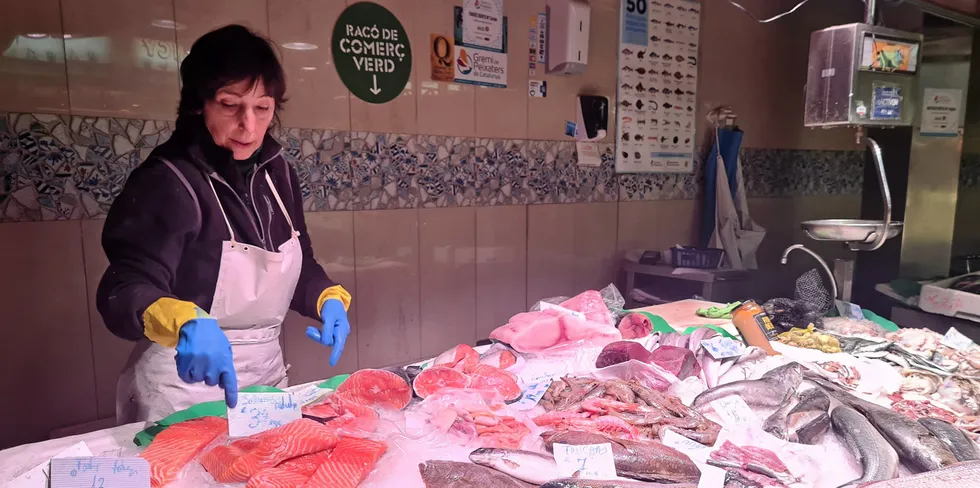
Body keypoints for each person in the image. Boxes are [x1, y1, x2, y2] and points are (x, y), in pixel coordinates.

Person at [97, 25, 351, 424]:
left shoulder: (278, 173)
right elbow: (123, 288)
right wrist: (185, 322)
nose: (248, 126)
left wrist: (326, 298)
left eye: (262, 108)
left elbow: (298, 268)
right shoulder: (169, 180)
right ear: (200, 104)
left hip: (265, 377)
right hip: (181, 389)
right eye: (230, 105)